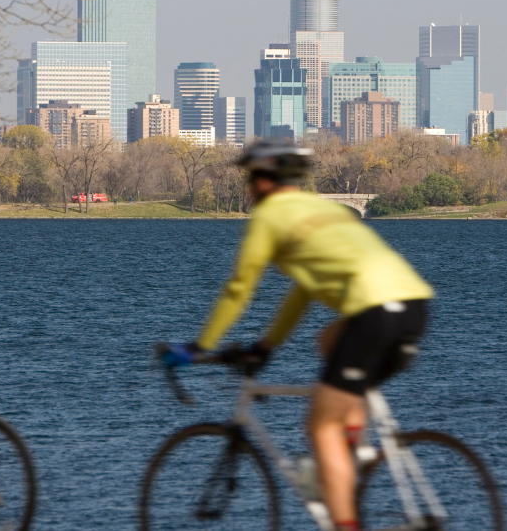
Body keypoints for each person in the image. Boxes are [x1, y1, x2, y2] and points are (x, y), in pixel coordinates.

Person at [163, 142, 434, 531]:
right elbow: (303, 291)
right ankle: (353, 449)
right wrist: (267, 345)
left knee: (320, 426)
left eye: (250, 180)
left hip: (373, 312)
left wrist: (199, 346)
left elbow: (240, 287)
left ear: (261, 181)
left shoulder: (270, 216)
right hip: (414, 305)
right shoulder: (322, 208)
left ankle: (345, 519)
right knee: (327, 344)